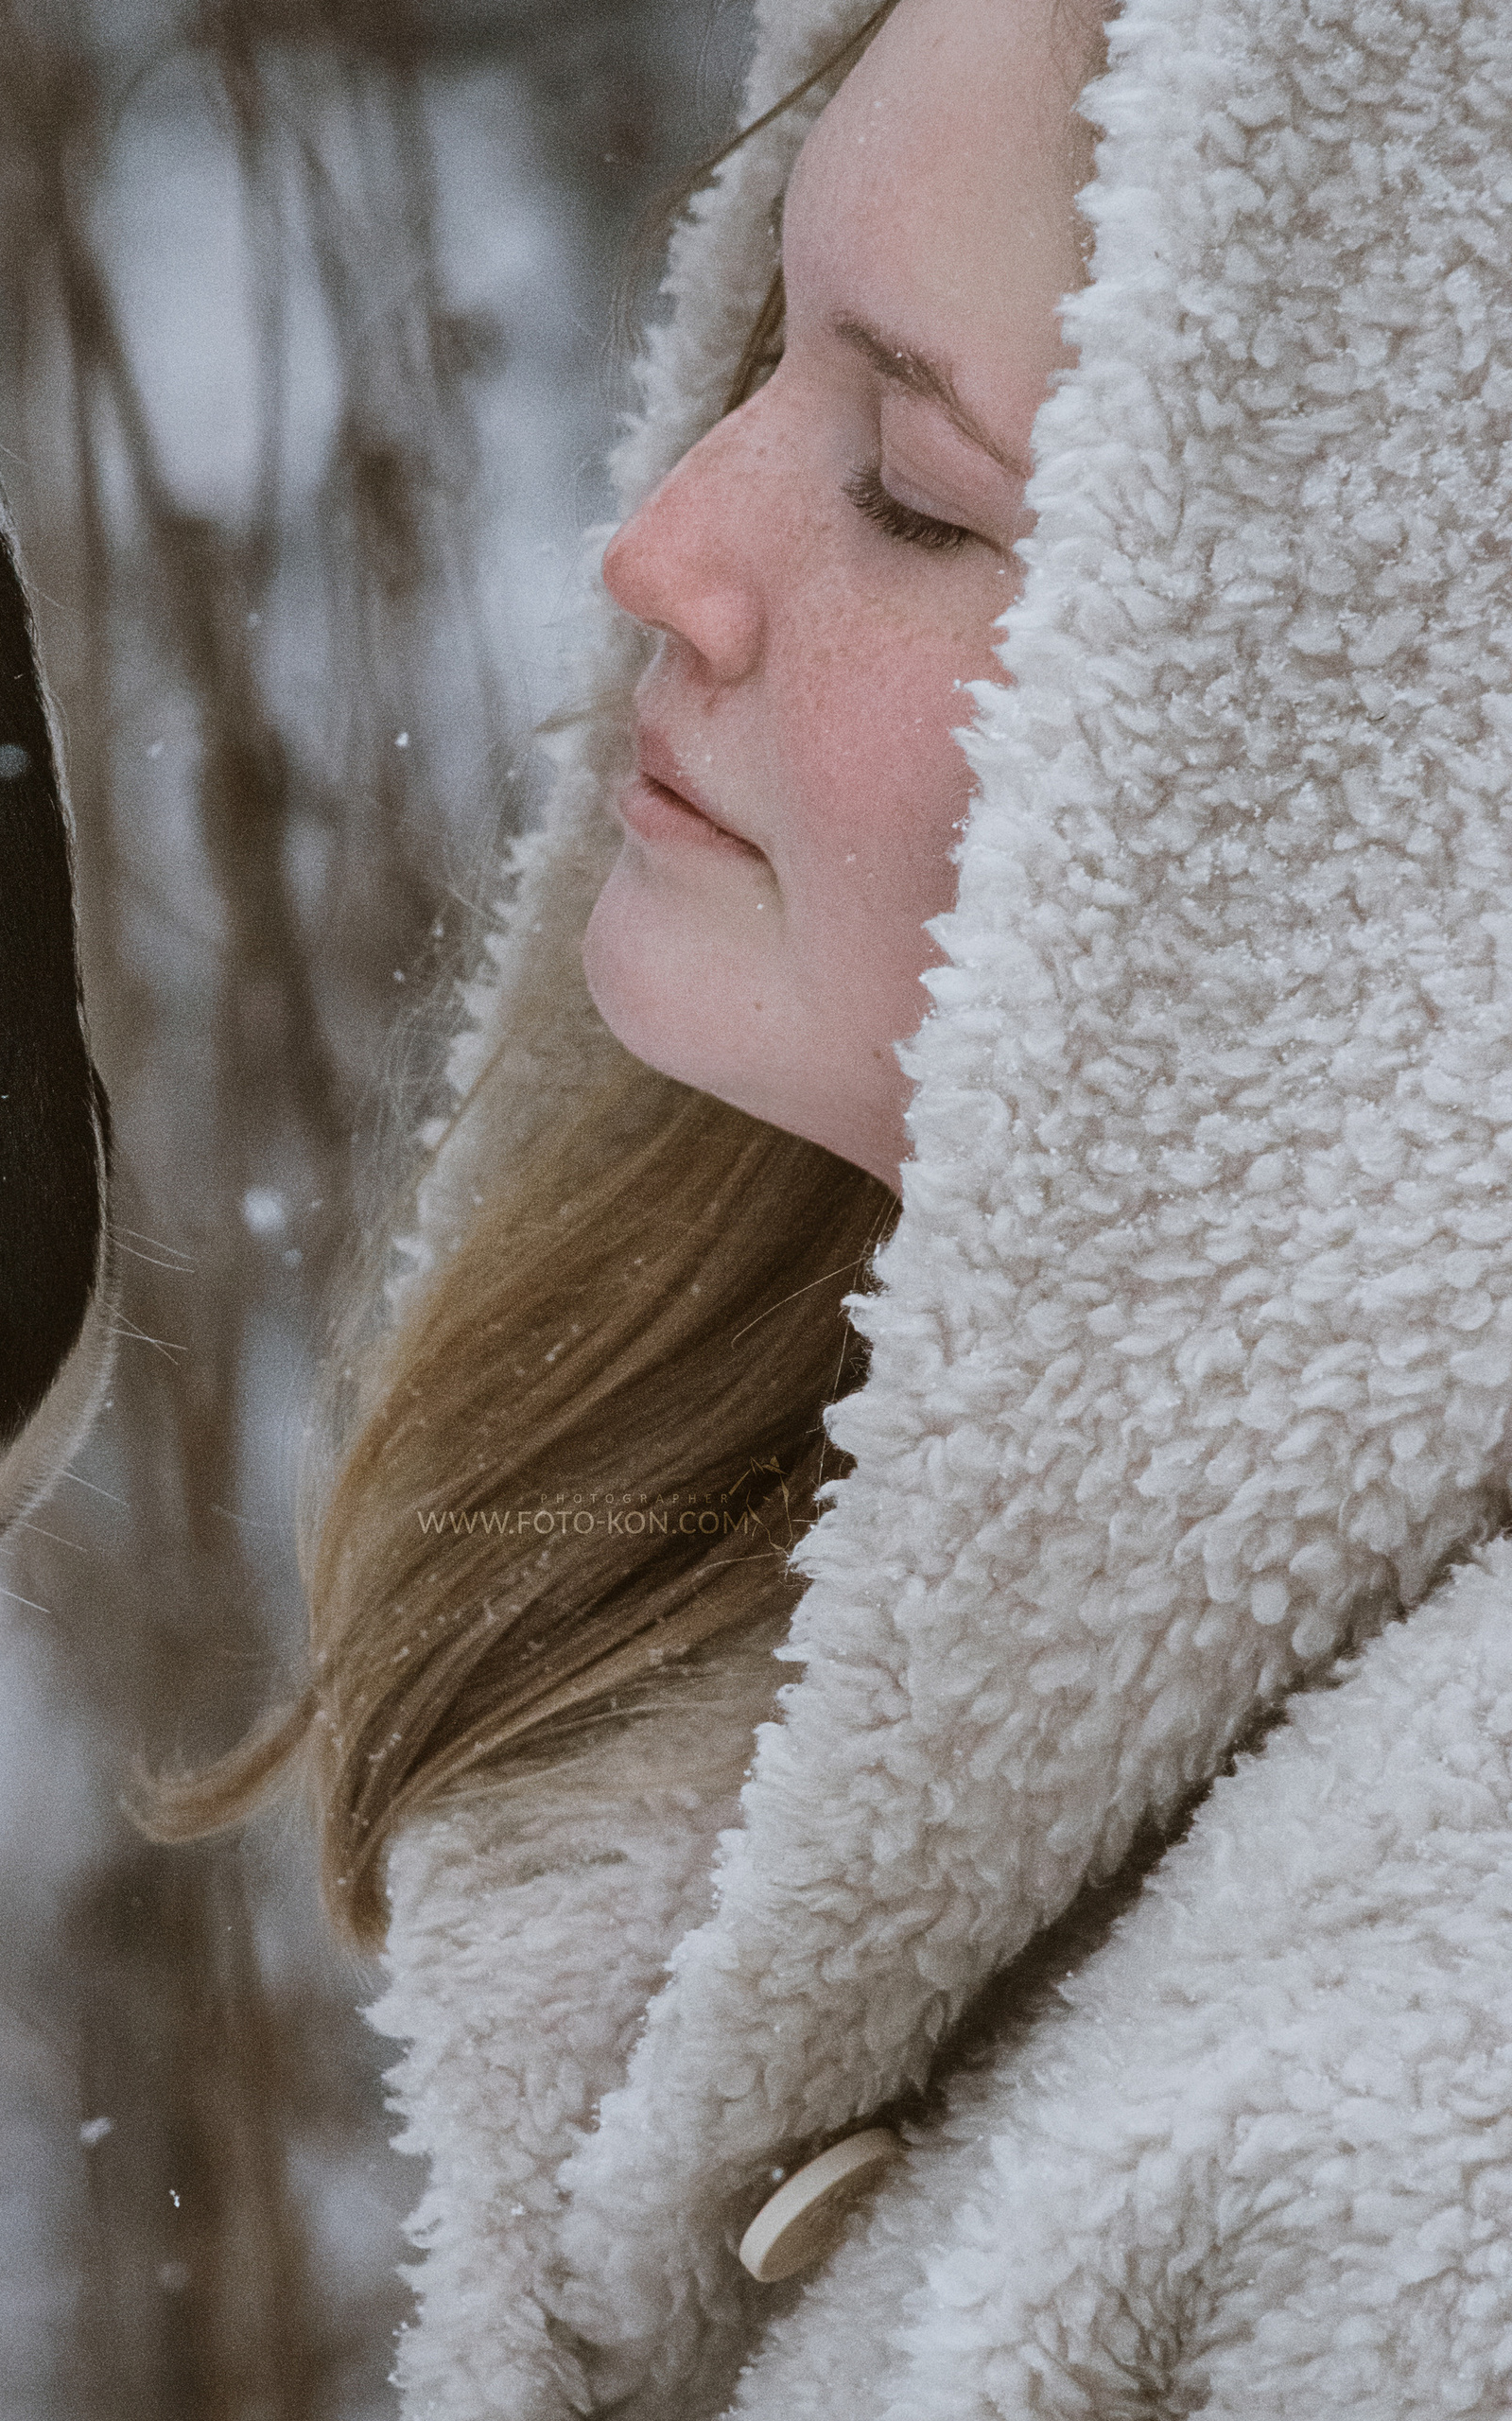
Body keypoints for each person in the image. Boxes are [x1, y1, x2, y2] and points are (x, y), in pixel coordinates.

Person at [200, 0, 1512, 2405]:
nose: (660, 547)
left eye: (908, 485)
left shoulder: (1436, 2160)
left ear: (1390, 793)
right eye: (753, 355)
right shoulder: (953, 1794)